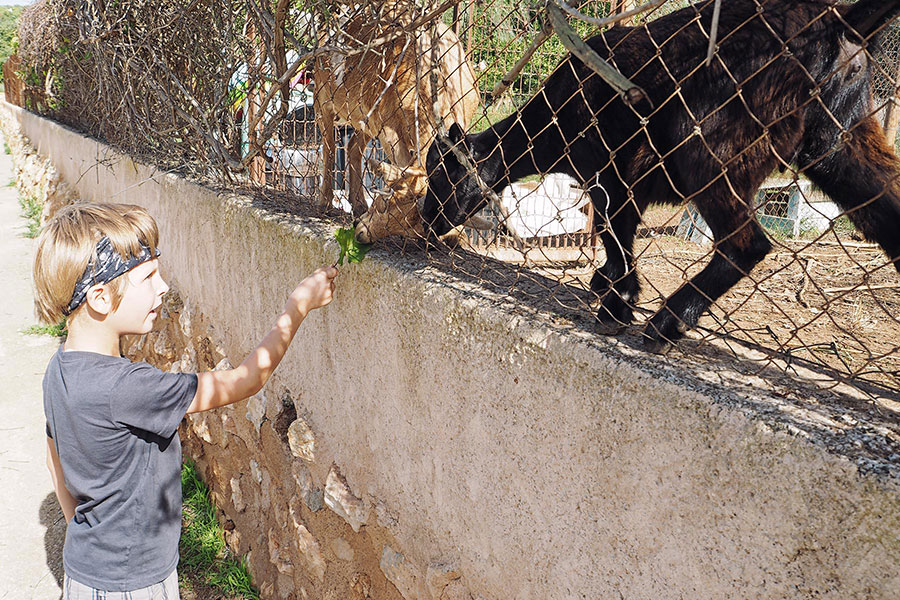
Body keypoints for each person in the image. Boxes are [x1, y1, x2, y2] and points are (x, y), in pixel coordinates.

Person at [33, 202, 338, 599]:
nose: (163, 287)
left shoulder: (58, 369)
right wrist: (297, 307)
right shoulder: (131, 388)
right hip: (134, 584)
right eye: (148, 277)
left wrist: (84, 530)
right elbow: (247, 380)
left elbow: (53, 454)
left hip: (86, 571)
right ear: (101, 297)